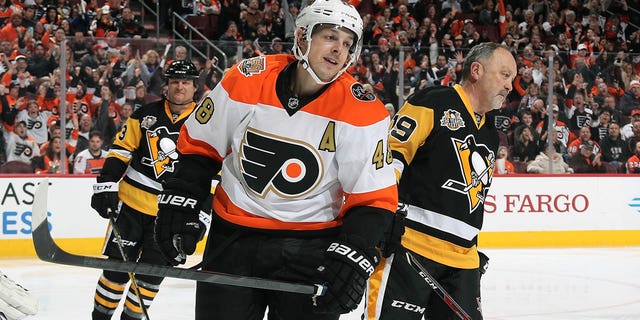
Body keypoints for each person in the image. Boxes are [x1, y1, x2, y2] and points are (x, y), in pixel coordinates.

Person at [153, 0, 398, 319]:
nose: (339, 50)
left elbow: (373, 196)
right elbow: (201, 146)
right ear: (301, 37)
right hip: (233, 240)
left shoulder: (364, 112)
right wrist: (181, 199)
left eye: (347, 43)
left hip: (311, 249)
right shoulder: (247, 78)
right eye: (330, 37)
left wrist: (355, 253)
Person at [367, 42, 517, 320]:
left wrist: (468, 245)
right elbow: (390, 159)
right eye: (505, 74)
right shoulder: (433, 101)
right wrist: (379, 216)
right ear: (476, 70)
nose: (510, 86)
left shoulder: (491, 134)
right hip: (408, 249)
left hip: (462, 264)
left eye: (513, 79)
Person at [88, 60, 200, 320]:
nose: (179, 87)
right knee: (115, 271)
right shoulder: (144, 114)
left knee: (149, 279)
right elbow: (121, 150)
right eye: (174, 81)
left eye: (185, 82)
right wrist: (106, 185)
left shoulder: (205, 122)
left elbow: (211, 173)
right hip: (131, 207)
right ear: (166, 86)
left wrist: (200, 218)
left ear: (195, 87)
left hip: (173, 215)